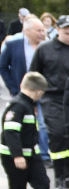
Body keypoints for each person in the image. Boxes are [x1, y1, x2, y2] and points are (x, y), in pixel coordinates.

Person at [30, 15, 69, 189]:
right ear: (58, 30)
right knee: (58, 134)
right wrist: (32, 101)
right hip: (52, 98)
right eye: (66, 33)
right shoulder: (45, 49)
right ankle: (59, 176)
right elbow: (34, 75)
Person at [1, 72, 56, 189]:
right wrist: (17, 156)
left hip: (32, 154)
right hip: (15, 157)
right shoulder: (18, 106)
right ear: (38, 91)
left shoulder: (26, 104)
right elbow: (10, 132)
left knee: (42, 183)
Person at [0, 16, 50, 166]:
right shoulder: (13, 44)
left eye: (43, 30)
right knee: (23, 123)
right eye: (38, 30)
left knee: (43, 123)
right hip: (22, 93)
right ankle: (22, 152)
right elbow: (3, 66)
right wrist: (12, 87)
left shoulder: (47, 46)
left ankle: (44, 154)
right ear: (27, 30)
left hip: (43, 92)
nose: (42, 33)